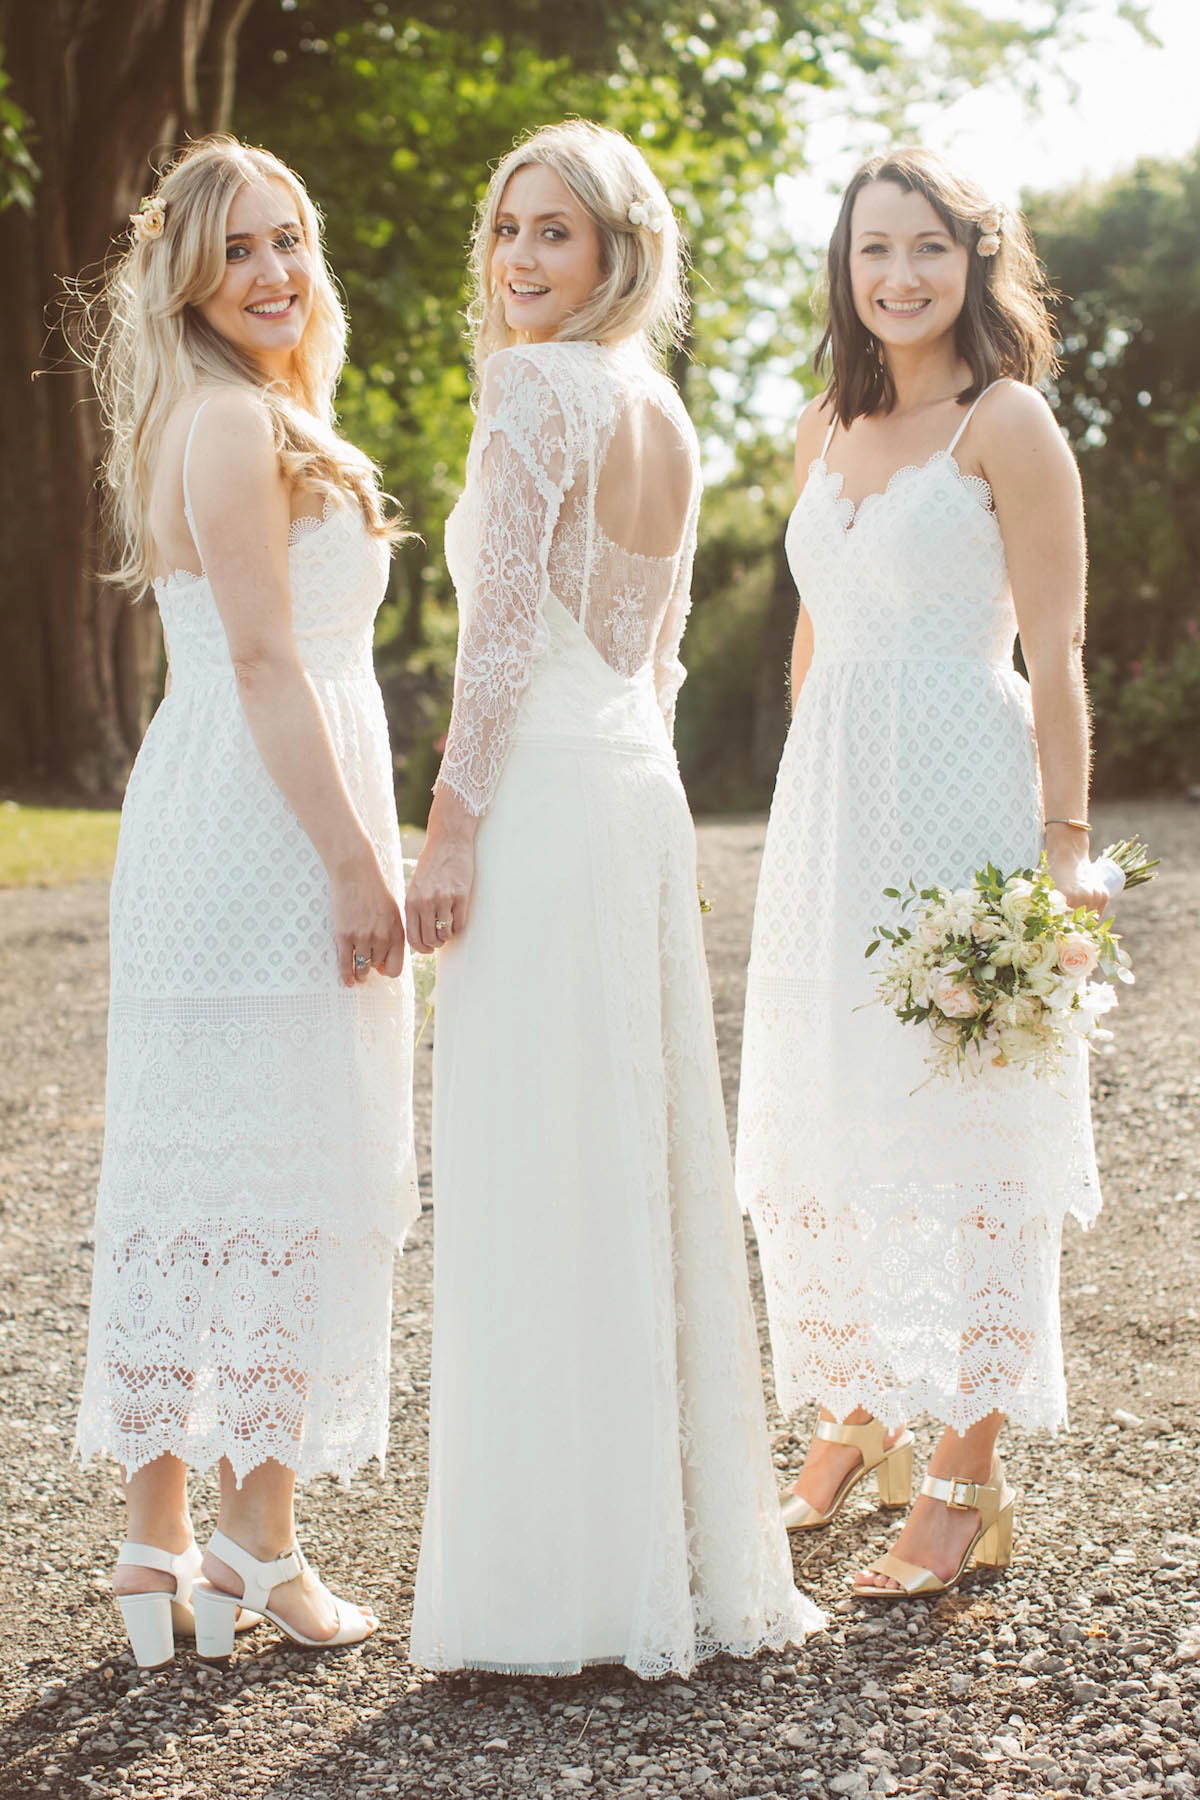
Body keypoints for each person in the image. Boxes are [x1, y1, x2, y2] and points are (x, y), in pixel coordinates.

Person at [405, 119, 823, 1675]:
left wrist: (448, 831)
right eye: (508, 226)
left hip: (545, 811)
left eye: (555, 234)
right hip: (633, 800)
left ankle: (556, 1587)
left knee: (536, 1170)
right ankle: (664, 1560)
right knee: (628, 1166)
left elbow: (500, 639)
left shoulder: (533, 388)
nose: (519, 259)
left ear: (615, 254)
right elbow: (650, 663)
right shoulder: (661, 404)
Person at [736, 147, 1107, 1599]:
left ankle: (964, 1474)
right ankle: (859, 1413)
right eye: (873, 250)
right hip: (834, 801)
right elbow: (818, 626)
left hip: (964, 790)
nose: (897, 276)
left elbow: (1058, 651)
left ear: (975, 260)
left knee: (968, 1134)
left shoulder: (1008, 421)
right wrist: (795, 795)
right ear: (846, 267)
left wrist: (1064, 855)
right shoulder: (831, 418)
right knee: (830, 1113)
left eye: (927, 250)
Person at [71, 136, 419, 1665]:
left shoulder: (252, 409)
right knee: (281, 1174)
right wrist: (356, 860)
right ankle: (247, 1543)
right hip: (262, 823)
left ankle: (172, 1548)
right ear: (190, 278)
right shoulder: (224, 422)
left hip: (250, 795)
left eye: (289, 239)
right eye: (239, 252)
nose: (275, 272)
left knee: (224, 1177)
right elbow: (270, 664)